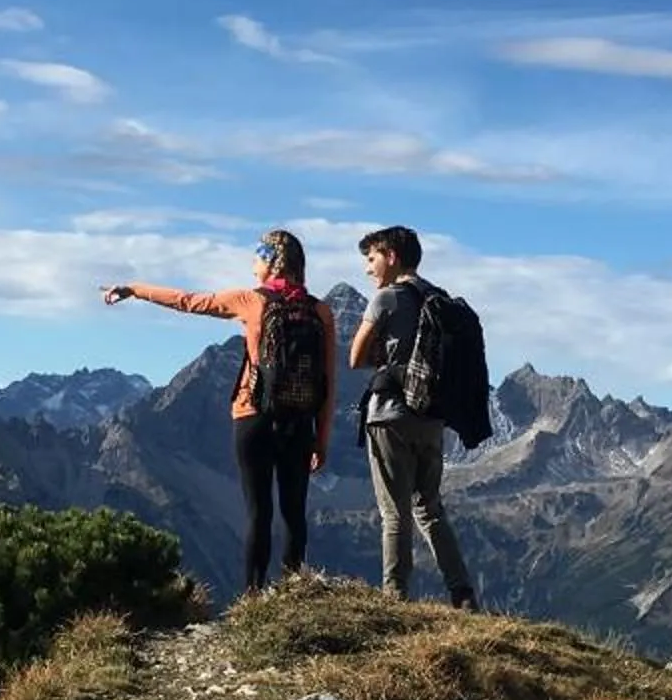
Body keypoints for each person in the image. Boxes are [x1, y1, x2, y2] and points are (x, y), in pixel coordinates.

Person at [103, 230, 336, 594]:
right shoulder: (320, 311)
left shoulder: (250, 300)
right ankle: (295, 597)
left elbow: (189, 301)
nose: (252, 263)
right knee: (294, 513)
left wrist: (135, 288)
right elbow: (328, 381)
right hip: (299, 421)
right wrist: (321, 440)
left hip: (253, 415)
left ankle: (253, 600)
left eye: (257, 255)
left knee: (259, 513)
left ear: (271, 260)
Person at [348, 224, 477, 608]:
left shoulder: (386, 299)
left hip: (389, 415)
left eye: (371, 259)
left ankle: (395, 598)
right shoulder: (440, 300)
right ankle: (462, 592)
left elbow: (354, 357)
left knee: (394, 513)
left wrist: (383, 358)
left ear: (391, 256)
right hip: (432, 417)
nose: (368, 269)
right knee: (430, 506)